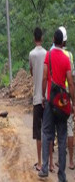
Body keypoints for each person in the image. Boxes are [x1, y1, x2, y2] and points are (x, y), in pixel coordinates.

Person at [38, 29, 75, 180]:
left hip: (50, 102)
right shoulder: (67, 59)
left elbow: (45, 75)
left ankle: (45, 168)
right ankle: (62, 175)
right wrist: (73, 102)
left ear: (54, 39)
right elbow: (71, 83)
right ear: (63, 42)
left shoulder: (49, 55)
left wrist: (42, 96)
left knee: (47, 134)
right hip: (62, 103)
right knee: (62, 138)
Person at [29, 27, 47, 172]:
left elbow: (31, 71)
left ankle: (40, 163)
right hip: (46, 98)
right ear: (42, 37)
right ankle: (50, 163)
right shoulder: (47, 54)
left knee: (38, 132)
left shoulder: (32, 54)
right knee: (48, 130)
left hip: (36, 98)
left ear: (34, 38)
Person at [59, 26, 75, 170]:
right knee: (69, 128)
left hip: (58, 96)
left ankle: (60, 159)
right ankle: (71, 161)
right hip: (68, 95)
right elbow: (72, 80)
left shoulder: (54, 54)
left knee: (60, 128)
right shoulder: (69, 55)